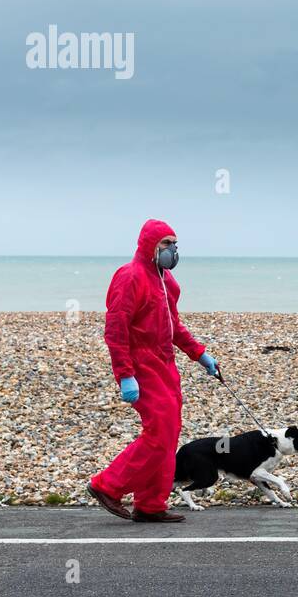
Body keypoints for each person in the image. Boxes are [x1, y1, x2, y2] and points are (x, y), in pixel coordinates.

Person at [88, 219, 218, 522]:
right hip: (140, 366)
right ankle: (107, 486)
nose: (172, 250)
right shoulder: (129, 277)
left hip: (165, 365)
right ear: (149, 245)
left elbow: (174, 327)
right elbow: (116, 329)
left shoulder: (167, 281)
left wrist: (199, 354)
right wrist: (125, 374)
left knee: (169, 431)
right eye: (165, 244)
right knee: (158, 432)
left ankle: (150, 504)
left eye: (174, 244)